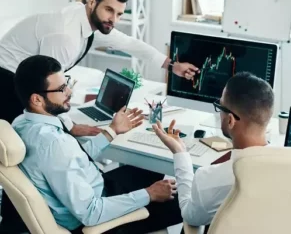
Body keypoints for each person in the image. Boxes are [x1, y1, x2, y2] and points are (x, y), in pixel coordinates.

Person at [152, 72, 291, 234]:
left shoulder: (211, 178)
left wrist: (180, 153)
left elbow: (189, 215)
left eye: (219, 106)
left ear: (230, 121)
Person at [10, 55, 183, 234]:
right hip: (96, 219)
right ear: (37, 99)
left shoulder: (22, 123)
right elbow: (91, 213)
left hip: (95, 187)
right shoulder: (54, 144)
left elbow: (72, 159)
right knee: (186, 202)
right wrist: (150, 193)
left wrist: (112, 131)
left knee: (149, 168)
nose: (70, 92)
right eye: (61, 89)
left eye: (67, 82)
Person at [0, 0, 199, 133]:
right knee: (17, 150)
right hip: (6, 82)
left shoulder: (87, 20)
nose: (113, 19)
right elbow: (50, 89)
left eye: (119, 14)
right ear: (92, 2)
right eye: (109, 10)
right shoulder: (65, 36)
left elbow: (129, 43)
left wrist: (173, 65)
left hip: (23, 79)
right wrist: (70, 127)